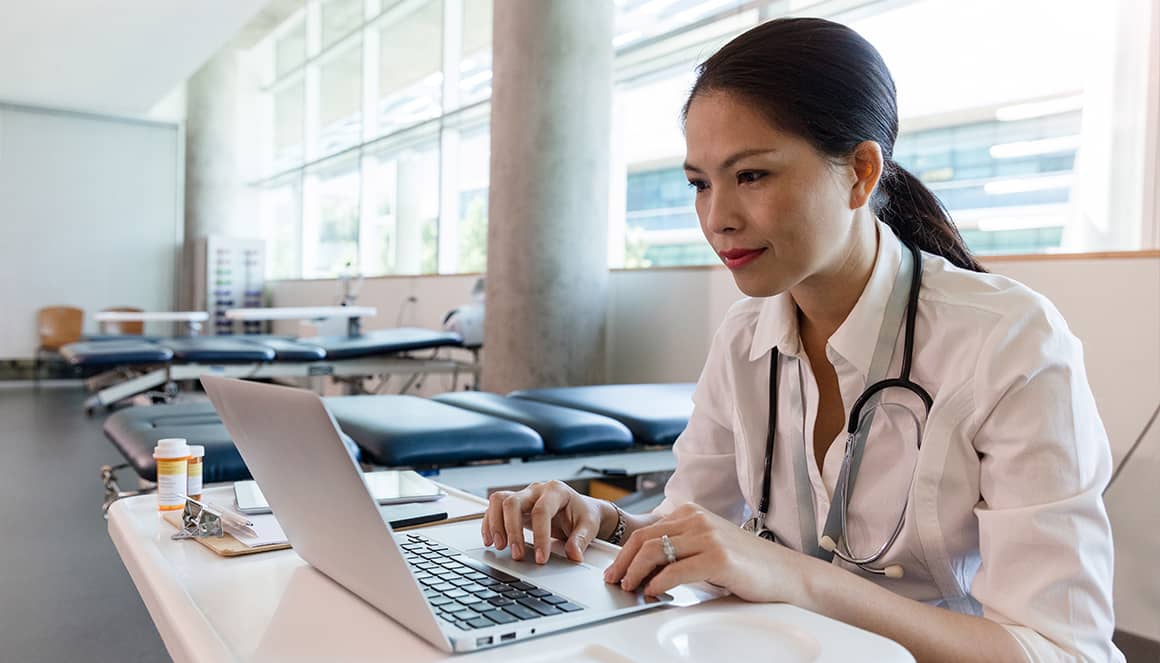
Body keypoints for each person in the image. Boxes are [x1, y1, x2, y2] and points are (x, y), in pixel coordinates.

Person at [480, 17, 1121, 663]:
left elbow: (1064, 652)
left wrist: (794, 575)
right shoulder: (745, 338)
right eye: (700, 183)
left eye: (751, 176)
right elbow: (689, 526)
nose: (717, 218)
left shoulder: (1008, 342)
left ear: (861, 173)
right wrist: (602, 521)